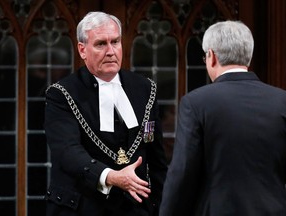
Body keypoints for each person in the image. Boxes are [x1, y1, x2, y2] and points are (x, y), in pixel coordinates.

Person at [44, 11, 168, 216]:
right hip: (82, 207)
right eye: (101, 44)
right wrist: (110, 176)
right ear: (82, 50)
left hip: (135, 209)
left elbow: (156, 158)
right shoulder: (61, 94)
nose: (111, 51)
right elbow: (67, 152)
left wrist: (159, 206)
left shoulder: (145, 89)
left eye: (116, 42)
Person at [159, 20, 286, 216]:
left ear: (211, 56)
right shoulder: (282, 101)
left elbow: (183, 173)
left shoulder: (196, 103)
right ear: (248, 58)